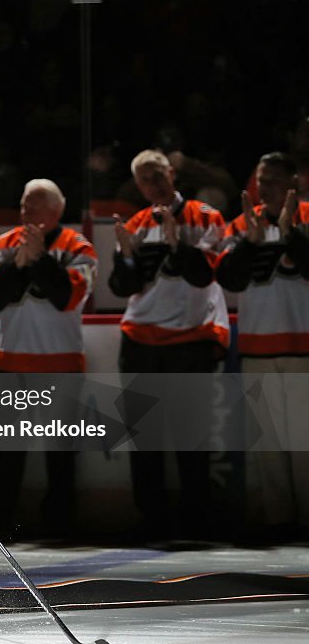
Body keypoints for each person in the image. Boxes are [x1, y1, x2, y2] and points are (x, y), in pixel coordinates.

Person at [109, 149, 229, 540]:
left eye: (157, 175)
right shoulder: (136, 224)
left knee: (191, 435)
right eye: (144, 179)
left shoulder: (206, 216)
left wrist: (178, 244)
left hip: (189, 340)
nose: (153, 184)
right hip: (140, 339)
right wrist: (126, 256)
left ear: (172, 172)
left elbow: (204, 276)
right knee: (145, 438)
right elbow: (122, 287)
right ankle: (152, 519)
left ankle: (196, 519)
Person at [0, 179, 97, 539]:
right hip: (10, 363)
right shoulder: (1, 244)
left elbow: (68, 296)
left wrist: (37, 259)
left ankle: (60, 525)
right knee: (9, 454)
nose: (27, 210)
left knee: (61, 455)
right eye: (24, 203)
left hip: (61, 364)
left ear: (58, 210)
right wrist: (20, 265)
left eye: (36, 204)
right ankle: (1, 526)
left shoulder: (79, 246)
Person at [216, 152, 309, 541]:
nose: (264, 186)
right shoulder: (241, 223)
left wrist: (291, 234)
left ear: (293, 182)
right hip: (256, 345)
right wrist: (249, 245)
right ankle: (279, 520)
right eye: (260, 179)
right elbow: (228, 278)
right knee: (268, 441)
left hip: (303, 346)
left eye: (272, 178)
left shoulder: (307, 215)